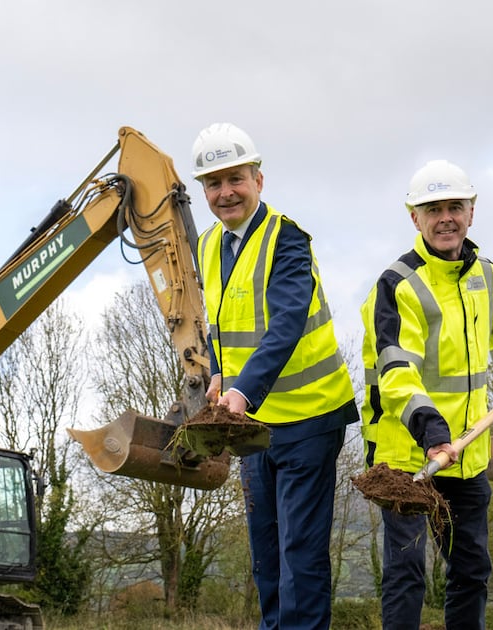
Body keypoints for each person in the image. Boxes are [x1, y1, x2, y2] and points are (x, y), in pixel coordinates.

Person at [190, 122, 359, 630]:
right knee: (267, 555)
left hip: (308, 419)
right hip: (256, 426)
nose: (225, 193)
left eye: (235, 179)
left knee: (299, 556)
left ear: (258, 180)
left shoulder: (287, 239)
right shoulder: (206, 247)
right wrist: (220, 375)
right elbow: (221, 323)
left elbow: (285, 324)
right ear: (203, 192)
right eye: (214, 184)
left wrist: (242, 391)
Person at [360, 159, 493, 629]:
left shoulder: (488, 277)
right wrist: (432, 432)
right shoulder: (398, 284)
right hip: (409, 457)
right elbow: (397, 370)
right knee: (406, 572)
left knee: (472, 570)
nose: (445, 218)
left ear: (472, 211)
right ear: (413, 217)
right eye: (432, 209)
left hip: (468, 453)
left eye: (455, 206)